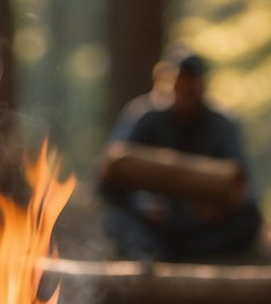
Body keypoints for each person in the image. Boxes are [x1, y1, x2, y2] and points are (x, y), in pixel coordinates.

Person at [98, 54, 262, 261]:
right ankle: (150, 253)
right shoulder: (144, 117)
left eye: (191, 83)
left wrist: (217, 209)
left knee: (249, 219)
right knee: (116, 217)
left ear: (202, 84)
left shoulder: (221, 125)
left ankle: (199, 256)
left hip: (202, 227)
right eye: (178, 82)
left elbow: (242, 186)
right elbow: (108, 177)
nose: (185, 90)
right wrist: (141, 203)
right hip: (154, 224)